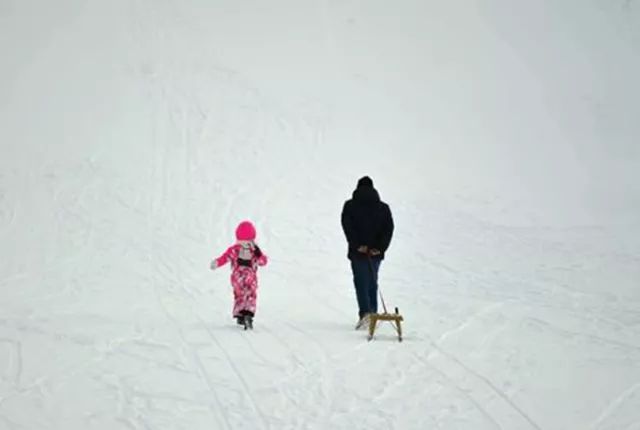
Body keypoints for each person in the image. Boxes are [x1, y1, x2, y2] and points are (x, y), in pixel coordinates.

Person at [341, 176, 394, 329]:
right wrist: (380, 247)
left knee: (361, 282)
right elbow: (388, 229)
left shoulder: (350, 206)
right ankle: (373, 313)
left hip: (359, 252)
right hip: (375, 253)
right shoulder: (383, 208)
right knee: (372, 281)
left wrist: (357, 245)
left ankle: (366, 314)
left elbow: (347, 226)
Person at [210, 220, 268, 328]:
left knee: (239, 294)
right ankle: (248, 314)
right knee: (250, 295)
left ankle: (240, 315)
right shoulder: (254, 250)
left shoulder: (235, 249)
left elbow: (225, 258)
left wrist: (217, 263)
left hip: (237, 277)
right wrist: (259, 254)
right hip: (251, 277)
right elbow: (263, 262)